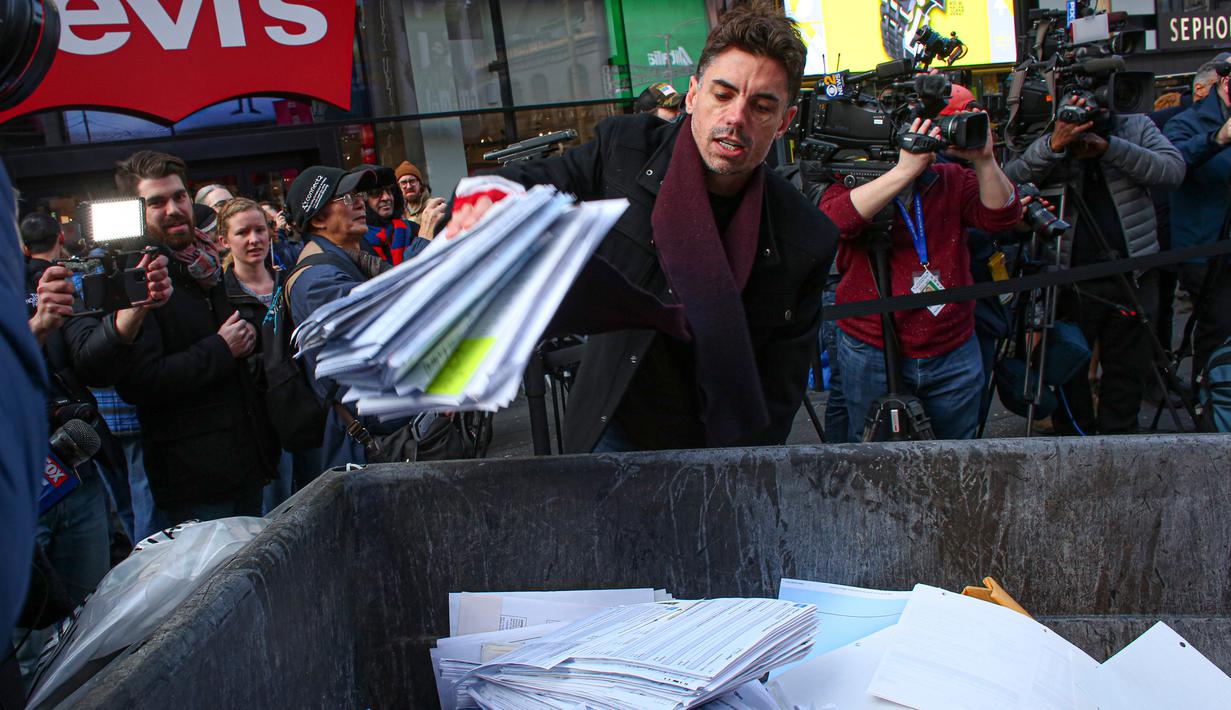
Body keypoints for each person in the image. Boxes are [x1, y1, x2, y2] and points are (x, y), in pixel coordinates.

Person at [449, 2, 839, 453]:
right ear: (693, 95)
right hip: (614, 421)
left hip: (725, 445)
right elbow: (539, 182)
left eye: (762, 105)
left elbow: (780, 390)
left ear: (785, 122)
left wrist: (746, 473)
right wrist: (489, 204)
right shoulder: (626, 150)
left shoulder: (805, 236)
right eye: (722, 94)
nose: (736, 118)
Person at [820, 102, 1021, 441]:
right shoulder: (851, 176)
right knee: (873, 457)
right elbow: (833, 224)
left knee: (954, 454)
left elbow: (1002, 216)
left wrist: (985, 159)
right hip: (870, 346)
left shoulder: (950, 178)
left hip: (951, 345)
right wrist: (902, 173)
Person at [113, 151, 279, 523]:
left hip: (243, 460)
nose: (173, 209)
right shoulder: (139, 275)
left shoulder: (205, 262)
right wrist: (221, 348)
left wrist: (247, 334)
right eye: (157, 202)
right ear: (137, 211)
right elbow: (141, 381)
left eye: (179, 197)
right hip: (194, 480)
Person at [1006, 95, 1185, 434]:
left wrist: (1110, 149)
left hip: (1134, 269)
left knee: (1128, 369)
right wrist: (1054, 144)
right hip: (1068, 275)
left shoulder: (1133, 125)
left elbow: (1173, 171)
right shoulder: (1042, 126)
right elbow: (1007, 181)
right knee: (1068, 367)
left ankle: (1121, 443)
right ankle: (1076, 440)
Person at [284, 165, 391, 469]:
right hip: (363, 446)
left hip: (377, 428)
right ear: (318, 218)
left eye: (358, 195)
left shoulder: (350, 258)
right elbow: (394, 318)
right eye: (346, 198)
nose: (359, 203)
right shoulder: (317, 280)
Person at [1164, 58, 1231, 383]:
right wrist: (1218, 138)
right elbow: (1175, 162)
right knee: (1218, 325)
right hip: (1204, 250)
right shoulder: (1188, 122)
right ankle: (1212, 399)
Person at [364, 167, 429, 265]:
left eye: (390, 191)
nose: (386, 197)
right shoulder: (356, 241)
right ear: (364, 200)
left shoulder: (414, 229)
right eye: (376, 193)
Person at [396, 160, 446, 237]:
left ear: (420, 184)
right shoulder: (397, 213)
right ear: (398, 187)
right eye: (403, 183)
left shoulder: (435, 207)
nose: (409, 186)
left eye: (412, 181)